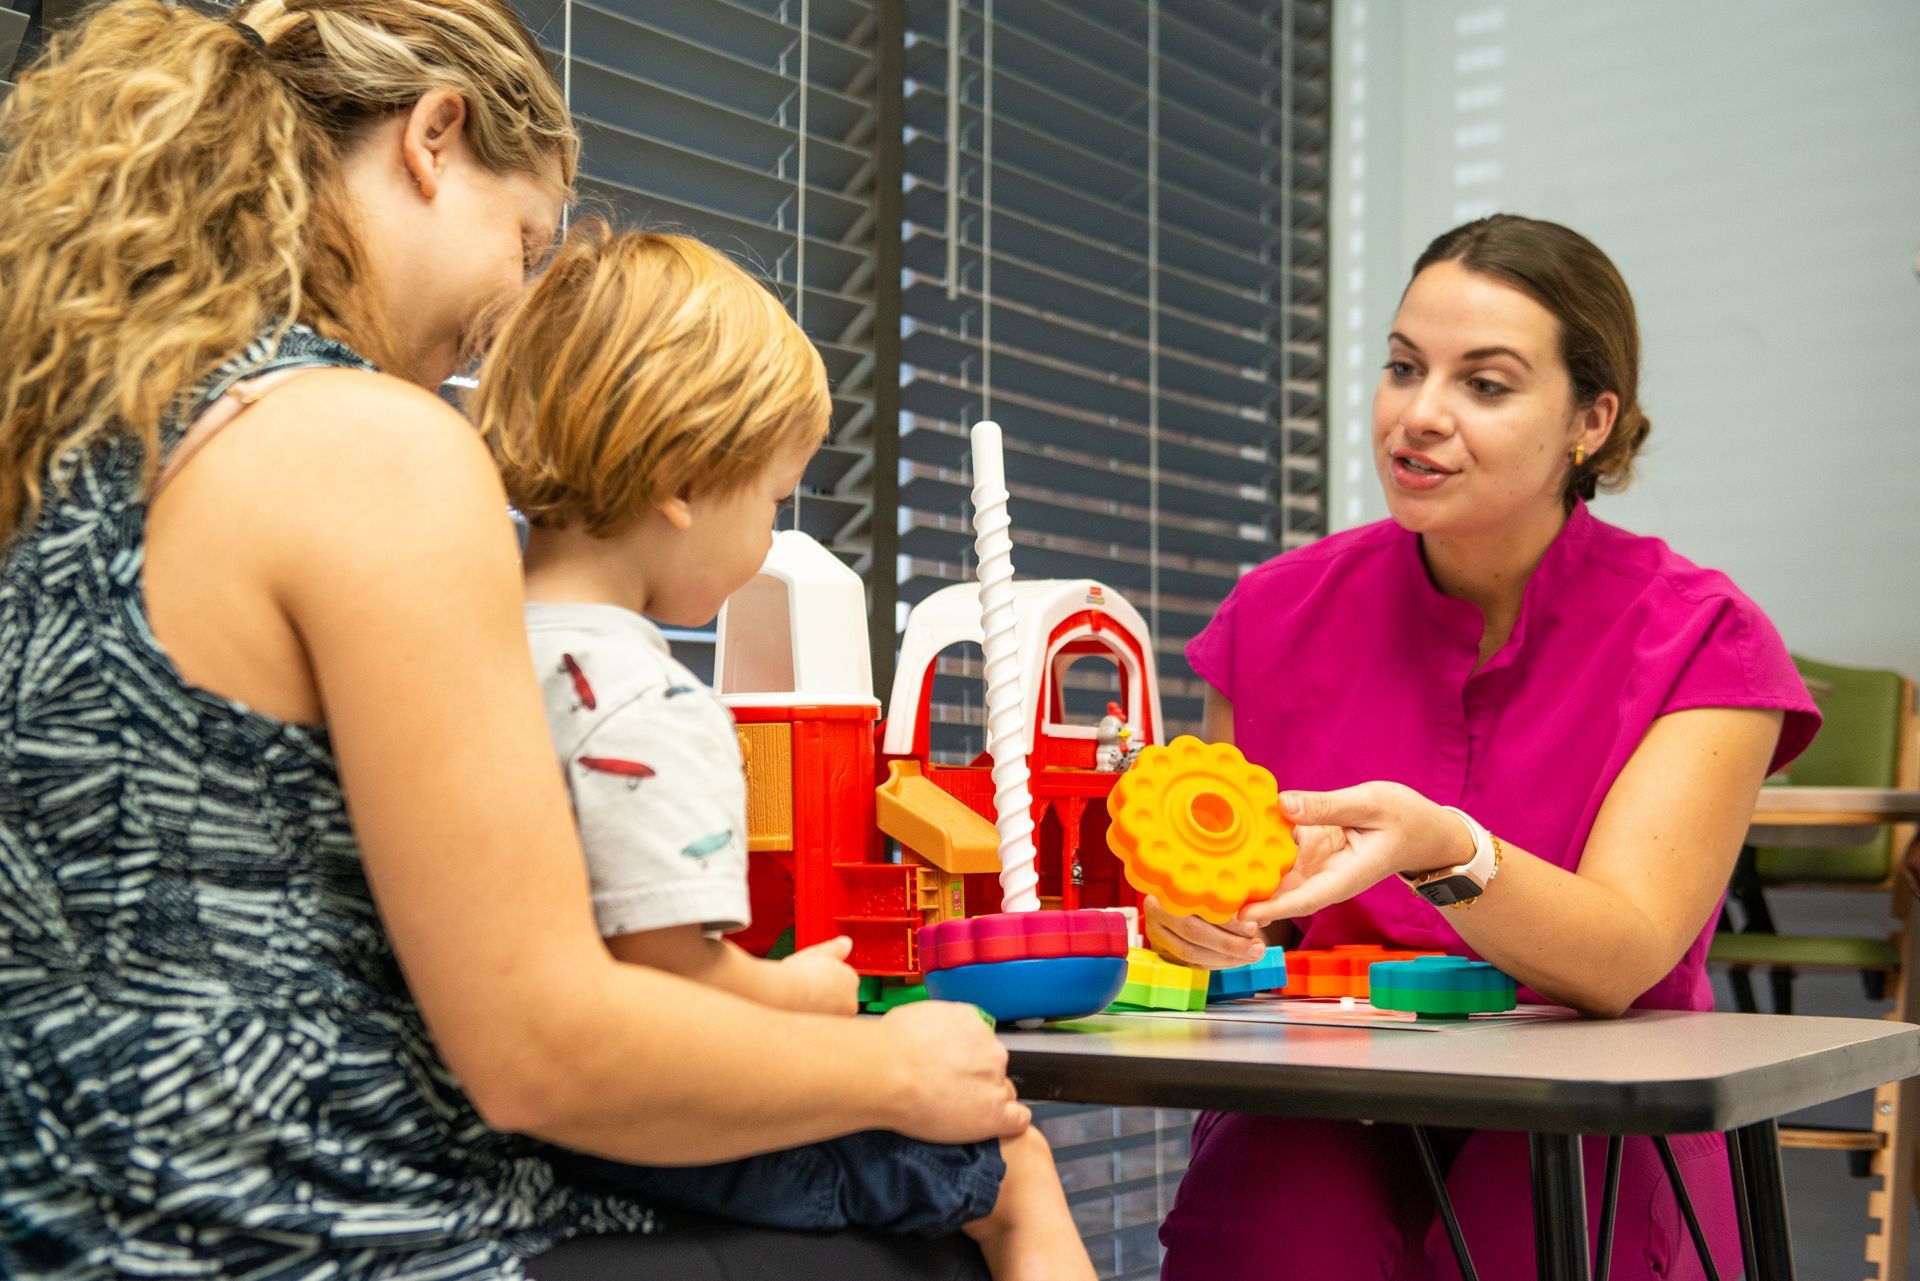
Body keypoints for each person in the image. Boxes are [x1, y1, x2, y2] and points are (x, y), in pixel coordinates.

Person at [0, 3, 1024, 1277]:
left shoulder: (83, 451)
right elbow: (545, 1050)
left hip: (69, 1229)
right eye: (527, 240)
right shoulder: (366, 444)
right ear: (436, 138)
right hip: (311, 1235)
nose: (511, 313)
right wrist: (894, 1063)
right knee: (952, 1213)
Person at [1146, 215, 1821, 1281]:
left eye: (1486, 385)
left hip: (1588, 1103)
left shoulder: (1703, 638)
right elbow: (1239, 916)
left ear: (1589, 423)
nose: (1419, 416)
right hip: (1324, 1105)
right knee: (1277, 1223)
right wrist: (1192, 920)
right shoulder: (1271, 617)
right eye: (1404, 368)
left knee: (1536, 1221)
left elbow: (1621, 956)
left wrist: (1446, 848)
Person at [471, 220, 1093, 1281]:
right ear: (679, 481)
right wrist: (803, 998)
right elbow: (660, 981)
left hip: (507, 1137)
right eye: (766, 499)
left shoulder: (464, 654)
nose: (766, 539)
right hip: (641, 1141)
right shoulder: (649, 702)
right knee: (1016, 1168)